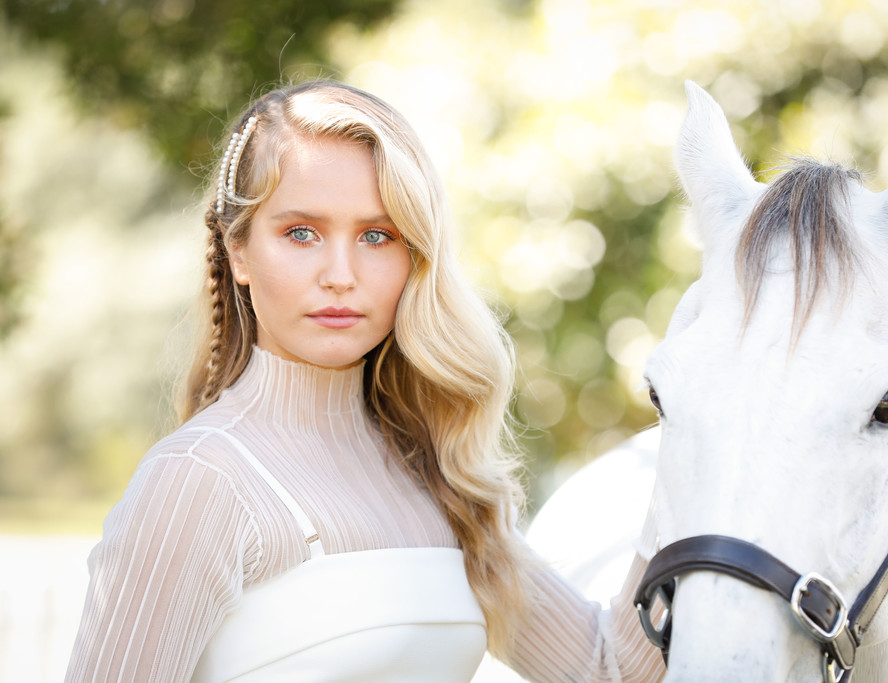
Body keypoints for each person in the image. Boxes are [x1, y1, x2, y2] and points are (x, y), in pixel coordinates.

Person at [65, 81, 664, 682]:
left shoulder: (435, 477)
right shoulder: (199, 480)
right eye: (302, 233)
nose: (340, 275)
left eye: (377, 236)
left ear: (415, 257)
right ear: (238, 251)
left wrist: (694, 463)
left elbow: (610, 670)